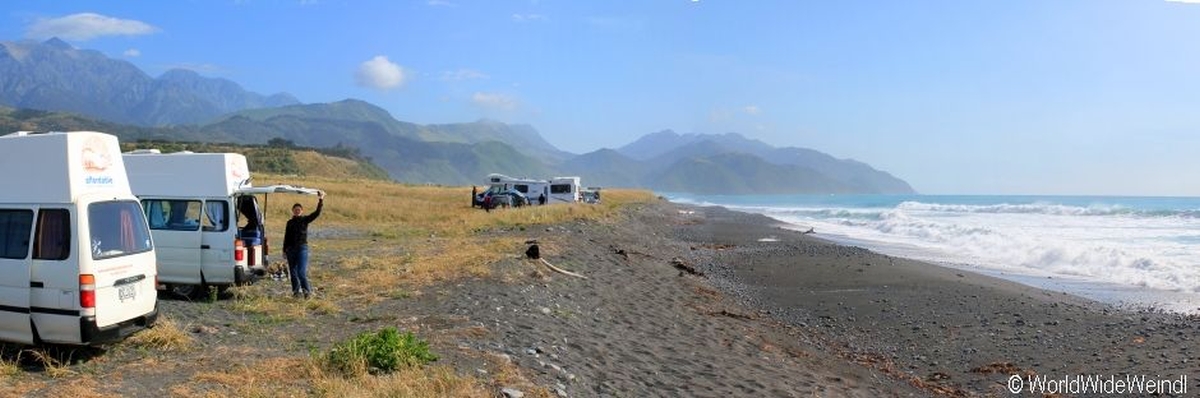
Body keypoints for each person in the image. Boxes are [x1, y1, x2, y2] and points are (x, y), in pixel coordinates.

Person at [284, 191, 325, 298]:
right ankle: (296, 292)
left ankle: (307, 292)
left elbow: (317, 213)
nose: (297, 211)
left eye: (299, 210)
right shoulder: (289, 222)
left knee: (301, 272)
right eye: (295, 210)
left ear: (302, 211)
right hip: (290, 250)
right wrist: (284, 250)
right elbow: (286, 237)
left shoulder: (305, 220)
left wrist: (321, 199)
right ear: (292, 211)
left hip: (302, 248)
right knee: (292, 273)